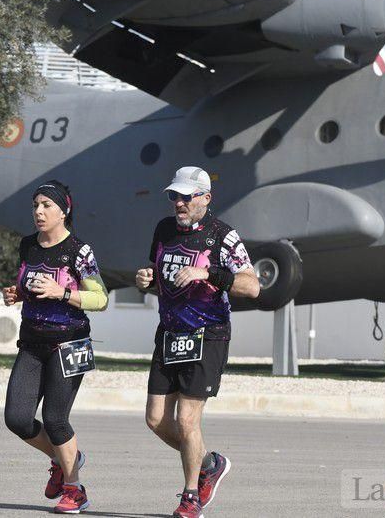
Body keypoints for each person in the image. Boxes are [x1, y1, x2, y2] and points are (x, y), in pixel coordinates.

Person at [136, 166, 260, 518]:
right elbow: (164, 282)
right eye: (175, 196)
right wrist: (147, 280)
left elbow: (252, 286)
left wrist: (208, 273)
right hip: (170, 334)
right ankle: (210, 463)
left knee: (188, 422)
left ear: (206, 198)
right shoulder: (163, 230)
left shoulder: (223, 236)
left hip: (208, 335)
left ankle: (190, 497)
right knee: (156, 419)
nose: (179, 203)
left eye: (187, 197)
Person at [2, 179, 108, 514]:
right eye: (35, 205)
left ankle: (74, 488)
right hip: (32, 343)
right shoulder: (28, 246)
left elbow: (100, 299)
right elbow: (29, 284)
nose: (39, 212)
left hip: (69, 344)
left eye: (47, 205)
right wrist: (17, 293)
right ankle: (65, 459)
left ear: (64, 210)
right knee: (17, 419)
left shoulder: (79, 251)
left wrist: (63, 293)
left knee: (55, 419)